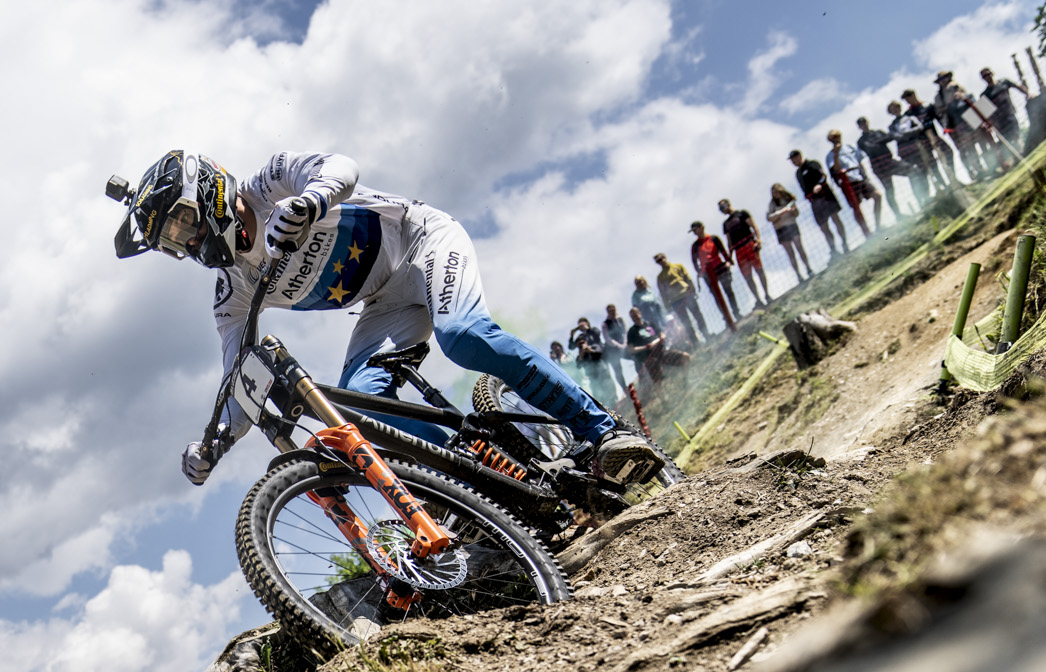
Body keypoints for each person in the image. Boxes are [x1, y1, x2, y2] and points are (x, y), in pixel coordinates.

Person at [112, 149, 665, 487]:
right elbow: (239, 380)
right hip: (385, 303)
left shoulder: (270, 183)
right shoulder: (231, 293)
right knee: (358, 412)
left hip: (422, 241)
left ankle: (603, 433)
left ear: (206, 188)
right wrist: (213, 442)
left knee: (465, 336)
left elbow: (341, 168)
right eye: (172, 241)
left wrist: (311, 202)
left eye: (182, 222)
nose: (187, 241)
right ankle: (483, 476)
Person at [789, 149, 849, 256]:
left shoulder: (812, 164)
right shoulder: (798, 174)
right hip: (814, 202)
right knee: (823, 226)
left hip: (826, 196)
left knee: (835, 218)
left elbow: (823, 176)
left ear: (799, 156)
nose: (793, 162)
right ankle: (833, 250)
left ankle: (845, 243)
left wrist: (819, 185)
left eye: (794, 159)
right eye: (792, 161)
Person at [823, 130, 884, 234]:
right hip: (848, 183)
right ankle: (867, 232)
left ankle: (878, 225)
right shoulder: (830, 156)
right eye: (832, 138)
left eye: (836, 136)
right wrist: (836, 154)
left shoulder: (849, 147)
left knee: (877, 196)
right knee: (856, 208)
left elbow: (860, 160)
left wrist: (865, 175)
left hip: (860, 177)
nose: (835, 139)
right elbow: (836, 169)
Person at [717, 200, 772, 306]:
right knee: (748, 277)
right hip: (738, 251)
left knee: (759, 270)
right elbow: (729, 241)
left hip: (750, 245)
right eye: (720, 209)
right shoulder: (725, 224)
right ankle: (758, 300)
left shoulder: (742, 214)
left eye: (723, 206)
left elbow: (754, 226)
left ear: (728, 204)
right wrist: (729, 257)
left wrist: (758, 240)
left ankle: (767, 295)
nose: (723, 209)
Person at [855, 116, 915, 213]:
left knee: (912, 171)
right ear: (859, 127)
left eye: (864, 122)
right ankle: (898, 214)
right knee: (889, 190)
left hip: (890, 161)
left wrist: (880, 141)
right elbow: (870, 148)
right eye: (861, 124)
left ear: (868, 122)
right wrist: (881, 141)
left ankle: (921, 197)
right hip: (879, 167)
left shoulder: (878, 132)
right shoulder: (861, 141)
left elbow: (890, 137)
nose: (864, 125)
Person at [687, 221, 739, 330]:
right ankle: (726, 319)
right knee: (717, 297)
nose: (695, 233)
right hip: (708, 274)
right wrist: (699, 271)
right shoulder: (695, 246)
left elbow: (723, 251)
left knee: (728, 290)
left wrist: (728, 261)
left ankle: (736, 313)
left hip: (720, 267)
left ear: (702, 227)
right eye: (693, 231)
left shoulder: (714, 238)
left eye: (696, 229)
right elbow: (694, 260)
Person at [623, 308, 690, 386]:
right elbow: (631, 349)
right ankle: (662, 398)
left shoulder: (650, 324)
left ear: (640, 313)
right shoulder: (632, 332)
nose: (635, 318)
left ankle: (685, 382)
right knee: (658, 381)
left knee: (685, 357)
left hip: (661, 352)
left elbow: (662, 334)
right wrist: (646, 347)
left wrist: (660, 338)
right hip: (649, 358)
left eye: (636, 315)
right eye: (633, 317)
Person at [652, 253, 706, 344]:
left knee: (698, 316)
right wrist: (667, 306)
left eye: (661, 259)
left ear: (665, 257)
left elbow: (687, 278)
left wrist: (692, 289)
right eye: (658, 261)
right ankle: (695, 342)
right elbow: (662, 293)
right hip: (675, 301)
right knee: (686, 322)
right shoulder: (660, 277)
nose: (660, 262)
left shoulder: (678, 266)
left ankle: (706, 334)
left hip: (686, 295)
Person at [765, 184, 812, 284]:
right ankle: (798, 275)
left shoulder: (789, 199)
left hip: (791, 225)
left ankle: (808, 268)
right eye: (773, 193)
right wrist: (782, 212)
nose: (775, 194)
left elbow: (797, 214)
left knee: (799, 247)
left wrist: (793, 211)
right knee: (790, 253)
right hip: (781, 229)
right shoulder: (772, 204)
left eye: (777, 192)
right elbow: (769, 217)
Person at [567, 316, 616, 406]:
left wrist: (590, 349)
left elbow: (600, 350)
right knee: (597, 392)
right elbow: (571, 348)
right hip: (592, 375)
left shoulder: (594, 334)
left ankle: (615, 403)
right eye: (580, 344)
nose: (582, 345)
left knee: (609, 387)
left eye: (583, 343)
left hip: (602, 368)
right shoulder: (580, 350)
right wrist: (572, 335)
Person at [979, 68, 1028, 152]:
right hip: (998, 122)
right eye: (985, 76)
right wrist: (988, 124)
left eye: (988, 74)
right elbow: (984, 113)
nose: (987, 77)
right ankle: (1016, 155)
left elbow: (1017, 86)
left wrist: (1028, 93)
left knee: (1016, 135)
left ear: (992, 73)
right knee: (1007, 140)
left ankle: (1022, 151)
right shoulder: (984, 95)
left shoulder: (1003, 82)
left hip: (1010, 114)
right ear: (983, 78)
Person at [600, 304, 632, 395]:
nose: (612, 312)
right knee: (618, 370)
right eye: (610, 311)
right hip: (612, 350)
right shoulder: (605, 324)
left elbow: (626, 331)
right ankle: (625, 390)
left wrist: (625, 343)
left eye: (613, 310)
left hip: (623, 345)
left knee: (634, 357)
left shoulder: (621, 320)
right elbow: (607, 338)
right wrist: (618, 345)